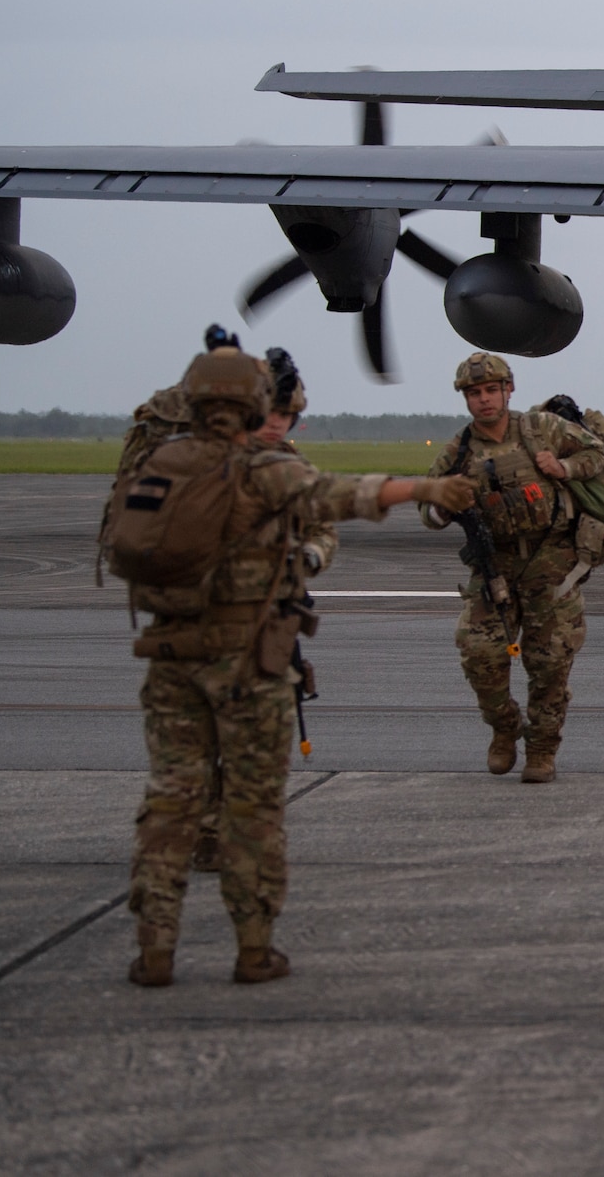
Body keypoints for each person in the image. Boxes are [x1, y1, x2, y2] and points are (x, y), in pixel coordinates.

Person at [119, 341, 472, 988]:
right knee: (253, 808)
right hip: (250, 662)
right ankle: (253, 950)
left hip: (170, 658)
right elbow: (346, 494)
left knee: (169, 802)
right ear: (253, 403)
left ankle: (154, 951)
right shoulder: (261, 468)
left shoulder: (159, 464)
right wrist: (424, 485)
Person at [425, 353, 604, 783]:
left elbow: (595, 453)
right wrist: (445, 505)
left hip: (551, 562)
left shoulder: (541, 429)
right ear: (466, 399)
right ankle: (505, 727)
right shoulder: (459, 450)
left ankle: (542, 750)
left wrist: (561, 467)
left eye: (492, 390)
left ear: (509, 389)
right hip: (495, 566)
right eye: (475, 393)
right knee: (479, 655)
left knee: (550, 664)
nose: (485, 400)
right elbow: (427, 510)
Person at [189, 348, 340, 873]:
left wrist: (312, 555)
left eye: (288, 417)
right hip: (213, 620)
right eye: (271, 415)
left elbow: (323, 525)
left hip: (275, 622)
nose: (278, 425)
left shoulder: (295, 467)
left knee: (264, 735)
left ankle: (239, 830)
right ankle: (209, 828)